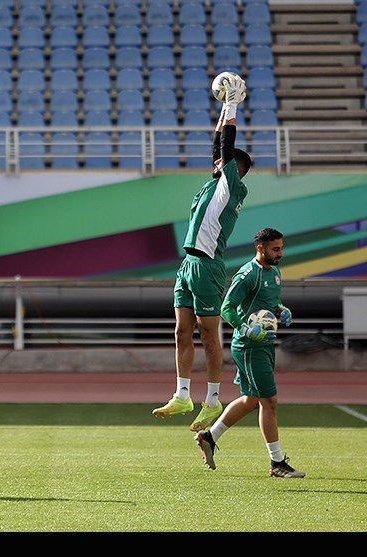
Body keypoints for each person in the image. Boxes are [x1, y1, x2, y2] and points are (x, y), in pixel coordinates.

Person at [152, 73, 252, 433]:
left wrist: (231, 106)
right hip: (188, 263)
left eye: (223, 164)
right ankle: (182, 394)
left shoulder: (232, 188)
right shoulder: (216, 183)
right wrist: (222, 111)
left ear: (235, 171)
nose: (215, 164)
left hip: (208, 266)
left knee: (209, 334)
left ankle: (212, 399)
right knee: (182, 331)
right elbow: (218, 149)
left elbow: (225, 149)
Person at [194, 228, 304, 478]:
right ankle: (277, 463)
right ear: (260, 248)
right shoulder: (247, 275)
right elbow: (227, 308)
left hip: (265, 344)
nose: (280, 253)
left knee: (252, 400)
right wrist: (244, 327)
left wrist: (280, 310)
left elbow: (269, 303)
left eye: (281, 248)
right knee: (270, 402)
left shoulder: (274, 271)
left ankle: (209, 437)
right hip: (249, 347)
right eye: (275, 249)